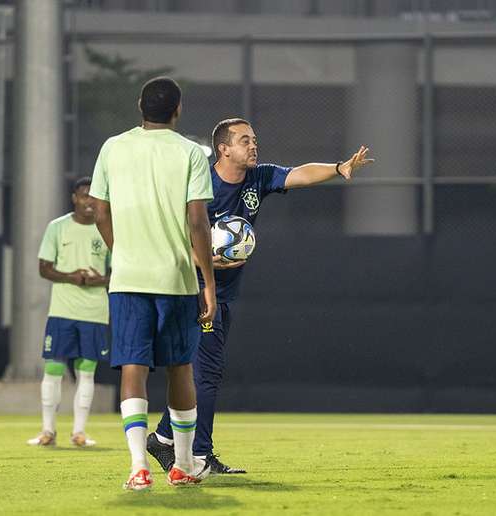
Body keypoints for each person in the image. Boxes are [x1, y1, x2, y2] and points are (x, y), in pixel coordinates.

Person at [148, 118, 373, 474]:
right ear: (223, 149)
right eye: (244, 141)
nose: (253, 146)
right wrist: (201, 258)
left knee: (204, 372)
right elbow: (170, 234)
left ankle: (163, 437)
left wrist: (338, 167)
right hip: (193, 289)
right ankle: (198, 455)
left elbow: (298, 174)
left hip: (226, 292)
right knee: (206, 373)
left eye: (254, 139)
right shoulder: (199, 183)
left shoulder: (258, 177)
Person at [89, 76, 216, 490]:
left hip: (127, 279)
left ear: (140, 106)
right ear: (177, 110)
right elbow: (197, 221)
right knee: (180, 369)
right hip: (176, 279)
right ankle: (181, 465)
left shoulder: (113, 147)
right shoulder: (191, 153)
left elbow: (99, 211)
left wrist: (119, 251)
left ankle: (138, 467)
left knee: (133, 367)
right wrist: (208, 282)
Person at [26, 177, 110, 448]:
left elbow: (119, 269)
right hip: (62, 311)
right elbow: (44, 268)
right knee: (52, 369)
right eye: (84, 195)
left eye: (93, 196)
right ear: (75, 197)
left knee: (86, 373)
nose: (88, 201)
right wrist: (71, 276)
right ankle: (48, 430)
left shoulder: (106, 228)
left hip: (95, 312)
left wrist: (99, 280)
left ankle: (79, 432)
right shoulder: (58, 227)